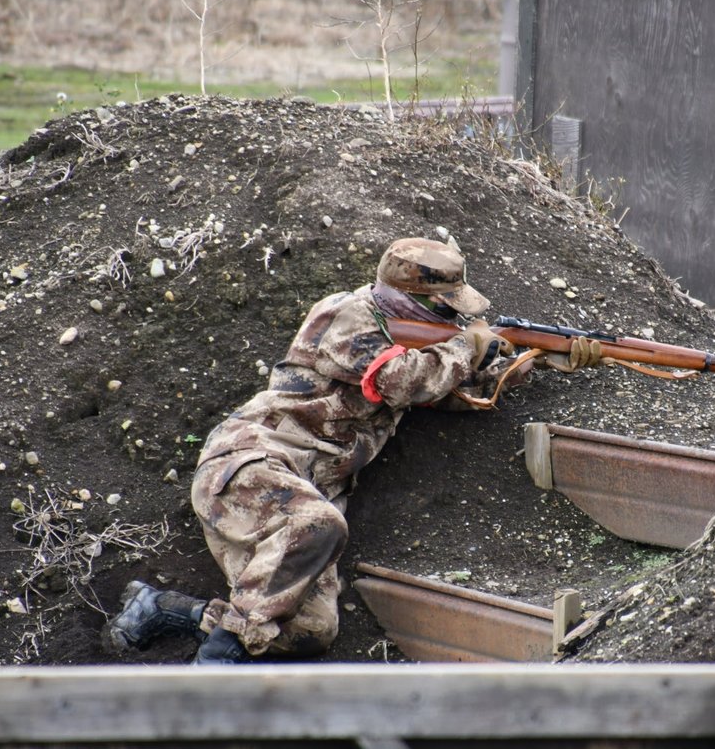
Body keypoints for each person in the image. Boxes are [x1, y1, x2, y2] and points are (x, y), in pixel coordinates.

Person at [104, 237, 582, 664]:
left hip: (305, 489)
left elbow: (452, 394)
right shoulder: (347, 317)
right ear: (408, 301)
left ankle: (165, 610)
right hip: (251, 465)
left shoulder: (418, 345)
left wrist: (525, 359)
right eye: (443, 310)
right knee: (319, 525)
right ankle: (212, 674)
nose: (454, 320)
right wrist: (464, 347)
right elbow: (399, 380)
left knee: (309, 631)